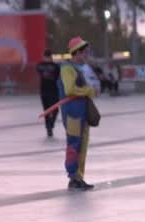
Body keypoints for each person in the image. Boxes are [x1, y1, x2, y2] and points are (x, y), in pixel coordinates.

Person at [58, 37, 97, 191]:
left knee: (81, 146)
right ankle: (73, 177)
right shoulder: (67, 68)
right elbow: (69, 90)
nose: (85, 56)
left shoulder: (77, 68)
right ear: (77, 53)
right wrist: (87, 91)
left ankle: (79, 177)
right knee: (74, 145)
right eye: (83, 53)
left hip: (81, 113)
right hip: (72, 113)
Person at [36, 49, 60, 137]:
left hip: (53, 91)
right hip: (45, 90)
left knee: (55, 109)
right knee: (46, 110)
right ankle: (48, 127)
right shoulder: (54, 66)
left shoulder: (41, 65)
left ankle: (51, 124)